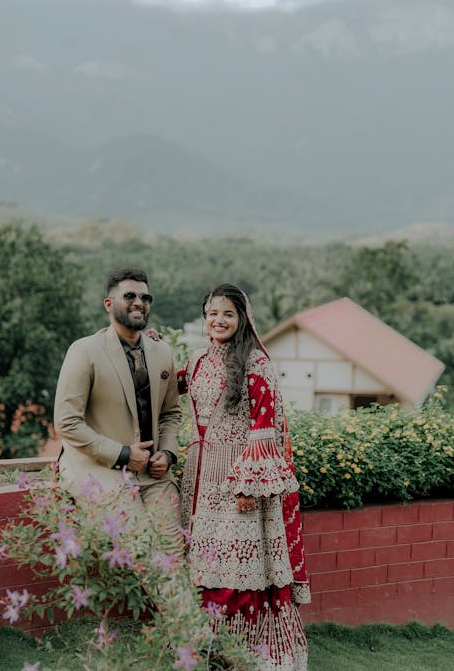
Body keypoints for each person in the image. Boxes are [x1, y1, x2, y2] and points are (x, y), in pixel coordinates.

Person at [178, 284, 310, 671]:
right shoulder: (198, 360)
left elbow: (263, 429)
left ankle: (240, 652)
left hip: (237, 484)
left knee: (235, 574)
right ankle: (204, 647)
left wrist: (247, 487)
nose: (218, 320)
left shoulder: (256, 364)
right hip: (197, 481)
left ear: (242, 320)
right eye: (212, 313)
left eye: (228, 314)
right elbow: (176, 385)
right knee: (202, 566)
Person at [54, 267, 184, 557]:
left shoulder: (162, 352)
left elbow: (171, 414)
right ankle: (187, 606)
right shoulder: (84, 350)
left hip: (154, 475)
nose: (139, 302)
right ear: (108, 304)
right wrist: (123, 454)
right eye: (129, 296)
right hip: (102, 473)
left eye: (145, 296)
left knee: (175, 554)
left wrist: (168, 453)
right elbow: (66, 422)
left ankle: (184, 605)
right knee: (146, 554)